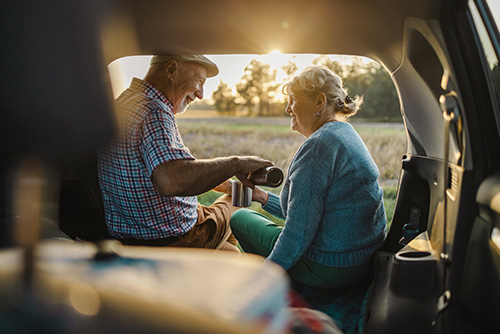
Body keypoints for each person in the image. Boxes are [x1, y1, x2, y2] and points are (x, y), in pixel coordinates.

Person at [230, 65, 387, 289]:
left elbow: (298, 233)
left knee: (240, 219)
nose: (287, 109)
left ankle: (287, 286)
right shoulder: (345, 133)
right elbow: (305, 212)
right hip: (362, 260)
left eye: (293, 100)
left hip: (331, 268)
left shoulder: (318, 147)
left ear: (319, 102)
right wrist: (262, 196)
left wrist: (261, 279)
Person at [98, 55, 272, 252]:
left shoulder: (124, 102)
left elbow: (167, 167)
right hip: (178, 238)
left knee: (230, 250)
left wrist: (225, 184)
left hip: (133, 234)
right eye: (200, 81)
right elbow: (172, 180)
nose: (201, 94)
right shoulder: (154, 110)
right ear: (171, 70)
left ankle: (224, 254)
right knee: (239, 199)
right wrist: (237, 164)